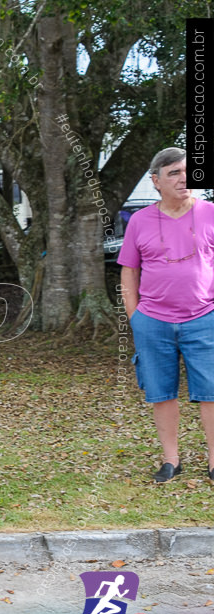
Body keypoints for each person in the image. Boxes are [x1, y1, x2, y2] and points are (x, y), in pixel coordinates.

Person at [118, 147, 214, 483]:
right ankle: (171, 460)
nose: (183, 178)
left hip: (205, 317)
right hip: (153, 321)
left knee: (211, 392)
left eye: (188, 171)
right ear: (155, 181)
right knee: (161, 392)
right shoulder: (140, 221)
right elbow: (129, 271)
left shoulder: (210, 213)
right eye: (173, 172)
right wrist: (136, 317)